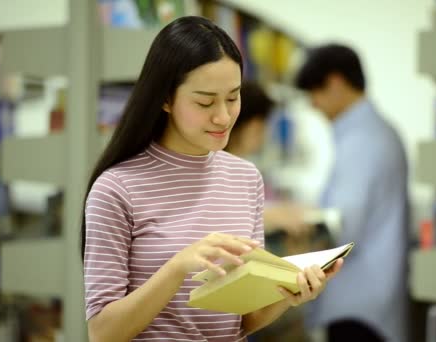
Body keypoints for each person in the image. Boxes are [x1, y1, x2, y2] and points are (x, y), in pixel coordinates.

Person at [81, 16, 342, 342]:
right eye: (205, 102)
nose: (223, 116)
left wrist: (290, 292)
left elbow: (242, 320)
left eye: (233, 98)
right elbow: (102, 333)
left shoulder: (245, 178)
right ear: (165, 98)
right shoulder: (117, 188)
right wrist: (177, 268)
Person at [295, 44, 409, 341]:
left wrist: (293, 234)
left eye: (314, 93)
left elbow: (342, 227)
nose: (313, 105)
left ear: (335, 83)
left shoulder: (361, 142)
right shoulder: (381, 131)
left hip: (357, 306)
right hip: (375, 301)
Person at [224, 81, 312, 239]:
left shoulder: (248, 171)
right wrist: (272, 216)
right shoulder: (218, 171)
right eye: (262, 125)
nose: (263, 133)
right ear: (251, 126)